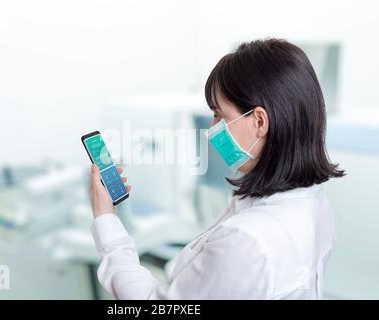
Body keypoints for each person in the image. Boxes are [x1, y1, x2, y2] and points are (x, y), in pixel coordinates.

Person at [88, 38, 345, 299]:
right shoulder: (313, 201)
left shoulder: (247, 240)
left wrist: (106, 221)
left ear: (259, 121)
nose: (212, 130)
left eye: (219, 115)